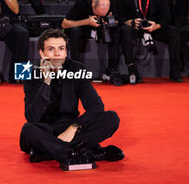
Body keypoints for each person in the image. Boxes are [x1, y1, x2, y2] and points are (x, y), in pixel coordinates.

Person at [19, 29, 124, 165]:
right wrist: (46, 81)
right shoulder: (28, 72)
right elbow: (32, 117)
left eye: (61, 49)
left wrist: (74, 127)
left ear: (66, 52)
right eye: (51, 49)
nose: (57, 54)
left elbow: (96, 107)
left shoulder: (77, 69)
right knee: (28, 130)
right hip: (44, 130)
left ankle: (48, 152)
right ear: (41, 53)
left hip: (72, 128)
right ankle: (85, 151)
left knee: (111, 118)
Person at [116, 0, 183, 82]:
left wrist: (157, 26)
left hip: (152, 28)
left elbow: (167, 17)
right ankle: (132, 70)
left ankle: (175, 72)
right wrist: (128, 22)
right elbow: (118, 16)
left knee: (174, 32)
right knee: (124, 30)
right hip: (133, 28)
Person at [61, 0, 137, 85]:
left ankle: (111, 69)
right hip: (84, 27)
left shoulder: (109, 1)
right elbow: (65, 24)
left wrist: (110, 21)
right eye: (98, 15)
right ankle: (77, 70)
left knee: (117, 30)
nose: (99, 17)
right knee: (75, 32)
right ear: (92, 6)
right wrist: (87, 21)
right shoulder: (82, 2)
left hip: (101, 28)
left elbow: (118, 20)